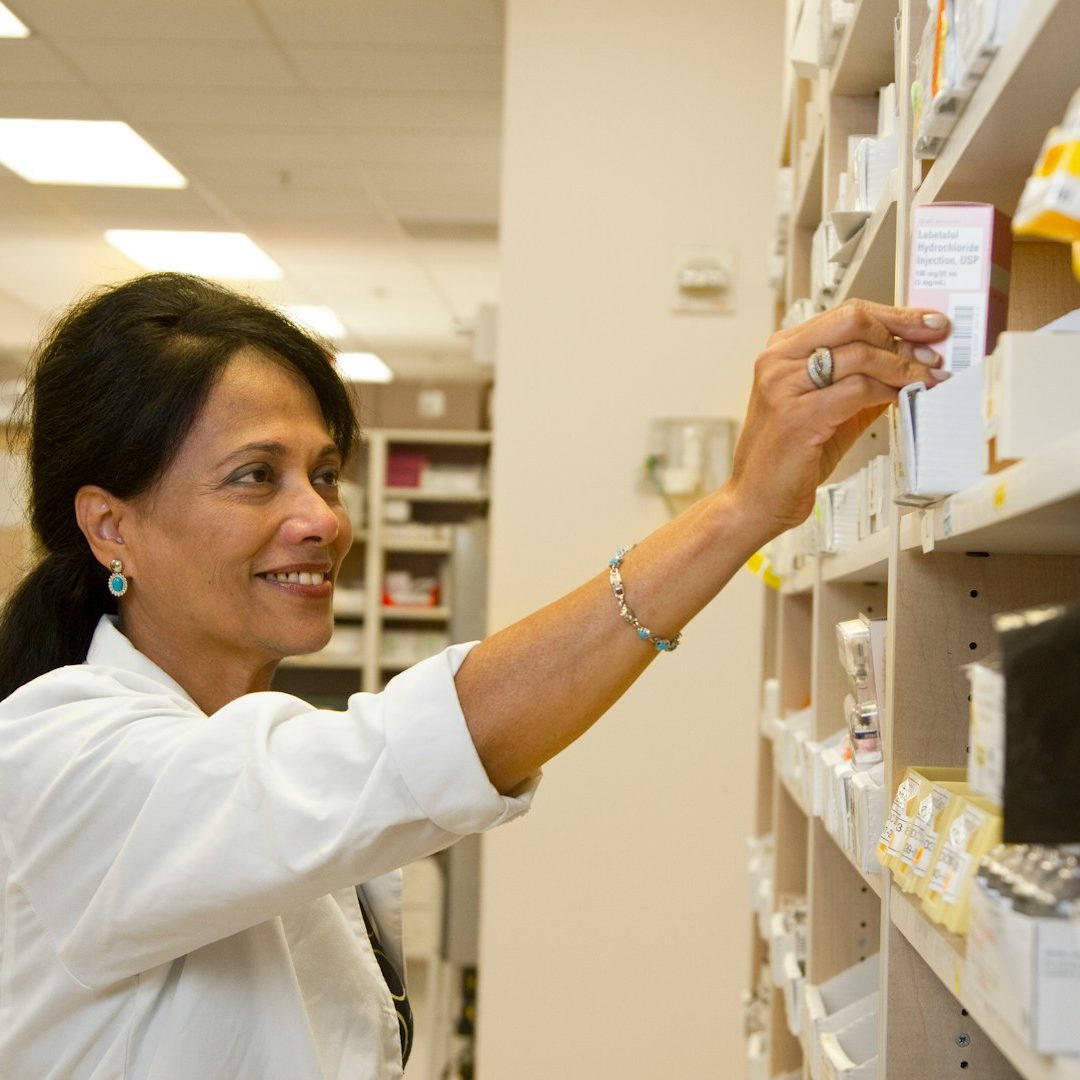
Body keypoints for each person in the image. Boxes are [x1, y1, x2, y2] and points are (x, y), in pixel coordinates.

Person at [0, 272, 949, 1079]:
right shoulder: (60, 757)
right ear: (111, 526)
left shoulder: (242, 739)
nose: (323, 519)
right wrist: (739, 509)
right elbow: (426, 745)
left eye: (323, 474)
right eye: (255, 476)